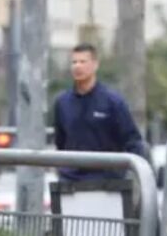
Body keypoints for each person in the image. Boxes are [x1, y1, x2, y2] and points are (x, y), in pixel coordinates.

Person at [52, 43, 149, 180]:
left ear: (95, 65)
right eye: (74, 62)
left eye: (83, 62)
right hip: (70, 182)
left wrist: (129, 176)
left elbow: (132, 142)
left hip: (108, 183)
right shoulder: (62, 103)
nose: (77, 66)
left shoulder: (113, 102)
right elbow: (60, 142)